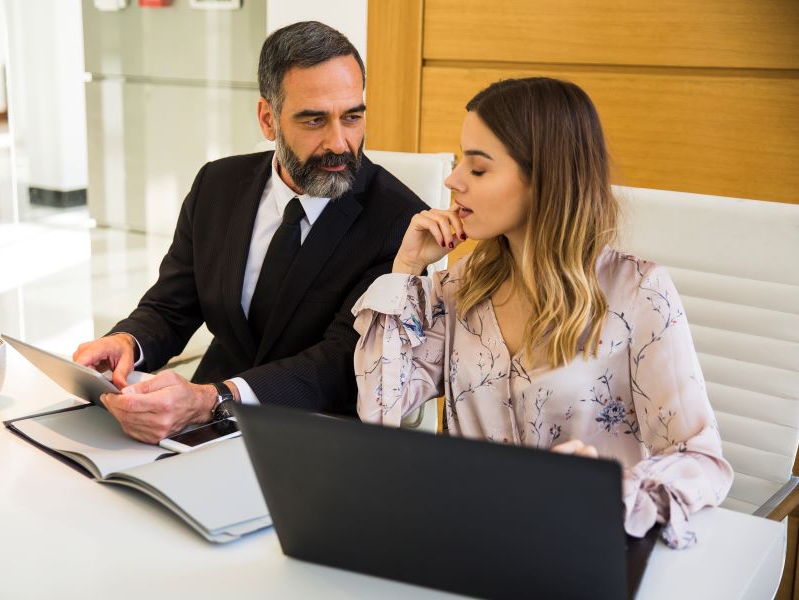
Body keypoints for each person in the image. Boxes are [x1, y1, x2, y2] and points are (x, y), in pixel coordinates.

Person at [352, 77, 733, 549]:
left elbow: (700, 459)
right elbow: (381, 410)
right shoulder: (461, 286)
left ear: (543, 179)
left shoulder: (638, 294)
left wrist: (605, 488)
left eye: (478, 169)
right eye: (459, 163)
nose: (453, 180)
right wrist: (407, 268)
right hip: (467, 540)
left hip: (582, 547)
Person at [73, 21, 427, 444]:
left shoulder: (399, 223)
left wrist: (213, 398)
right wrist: (128, 341)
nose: (339, 142)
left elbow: (340, 363)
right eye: (315, 120)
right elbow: (173, 305)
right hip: (198, 424)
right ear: (268, 119)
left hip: (317, 434)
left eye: (352, 117)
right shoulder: (217, 185)